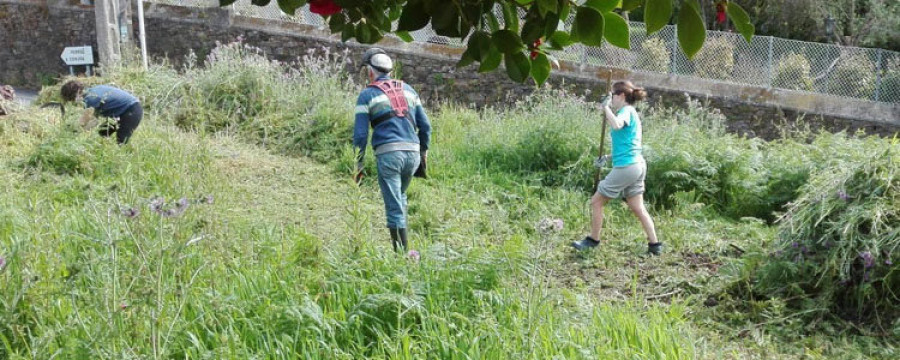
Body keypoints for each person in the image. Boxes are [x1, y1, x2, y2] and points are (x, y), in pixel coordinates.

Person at [353, 48, 432, 252]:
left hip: (389, 154)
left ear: (370, 72)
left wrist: (358, 163)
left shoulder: (367, 95)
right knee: (401, 196)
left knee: (393, 205)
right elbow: (426, 126)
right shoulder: (409, 90)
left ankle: (402, 257)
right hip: (413, 153)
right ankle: (405, 253)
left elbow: (361, 135)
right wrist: (423, 153)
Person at [572, 81, 661, 255]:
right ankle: (655, 245)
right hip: (637, 164)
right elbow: (629, 144)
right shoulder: (630, 113)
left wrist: (605, 109)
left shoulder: (626, 111)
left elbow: (617, 125)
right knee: (637, 207)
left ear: (621, 96)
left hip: (628, 166)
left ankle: (593, 240)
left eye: (612, 95)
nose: (610, 98)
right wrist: (608, 157)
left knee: (596, 201)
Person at [60, 81, 143, 144]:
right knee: (103, 133)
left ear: (77, 93)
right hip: (120, 113)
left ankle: (122, 160)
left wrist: (74, 133)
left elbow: (85, 121)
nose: (73, 102)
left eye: (72, 99)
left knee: (121, 139)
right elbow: (95, 119)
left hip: (131, 110)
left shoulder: (90, 99)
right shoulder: (91, 91)